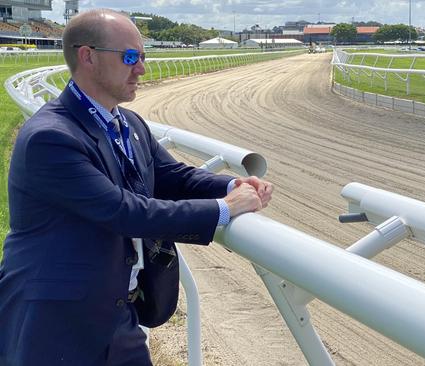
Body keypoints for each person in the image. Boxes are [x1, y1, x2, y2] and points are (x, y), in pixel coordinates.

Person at [0, 9, 273, 366]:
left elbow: (171, 176)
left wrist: (231, 184)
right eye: (131, 57)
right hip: (53, 319)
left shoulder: (127, 122)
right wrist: (224, 208)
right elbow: (123, 211)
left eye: (143, 56)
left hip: (117, 314)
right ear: (88, 57)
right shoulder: (50, 138)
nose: (141, 68)